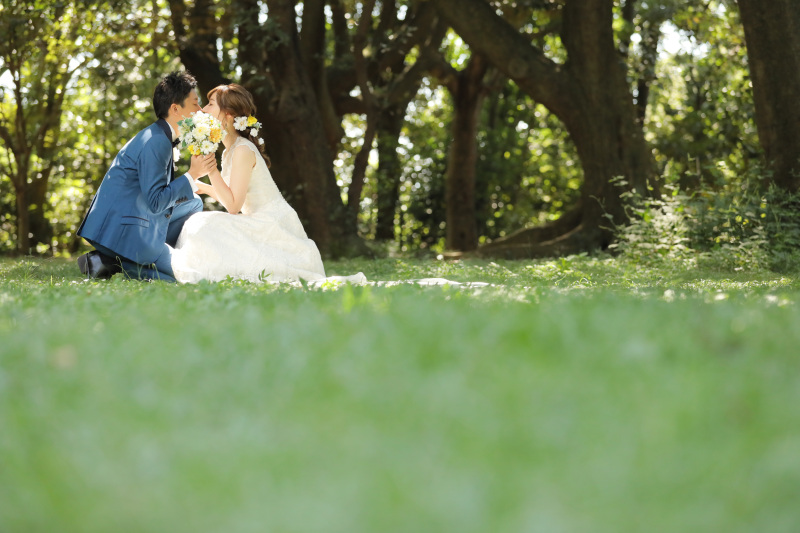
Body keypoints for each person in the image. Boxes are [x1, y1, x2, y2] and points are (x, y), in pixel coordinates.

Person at [171, 84, 364, 284]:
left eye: (210, 104)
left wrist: (211, 171)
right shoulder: (230, 151)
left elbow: (233, 206)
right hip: (257, 221)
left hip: (272, 225)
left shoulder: (242, 150)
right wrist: (201, 187)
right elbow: (231, 195)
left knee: (203, 224)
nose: (203, 109)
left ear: (228, 115)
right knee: (199, 223)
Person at [77, 71, 217, 282]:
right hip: (124, 228)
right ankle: (124, 260)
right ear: (176, 109)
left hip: (135, 215)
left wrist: (193, 182)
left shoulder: (159, 135)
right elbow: (155, 202)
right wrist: (192, 174)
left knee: (193, 203)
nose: (200, 110)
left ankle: (114, 259)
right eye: (195, 104)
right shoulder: (156, 141)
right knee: (180, 278)